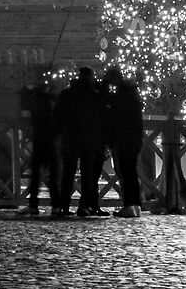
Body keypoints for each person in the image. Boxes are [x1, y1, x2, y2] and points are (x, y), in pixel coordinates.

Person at [54, 65, 107, 218]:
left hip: (70, 139)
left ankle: (63, 206)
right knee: (88, 176)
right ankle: (84, 206)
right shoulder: (94, 95)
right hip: (89, 140)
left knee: (68, 174)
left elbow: (58, 116)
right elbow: (102, 118)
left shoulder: (66, 94)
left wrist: (61, 133)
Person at [18, 73, 60, 218]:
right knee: (53, 176)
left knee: (35, 175)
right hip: (53, 141)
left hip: (39, 140)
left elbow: (24, 100)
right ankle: (56, 206)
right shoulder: (54, 101)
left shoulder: (36, 100)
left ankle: (33, 205)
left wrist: (30, 89)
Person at [105, 69, 145, 218]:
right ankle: (135, 205)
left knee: (125, 173)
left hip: (123, 139)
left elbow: (114, 116)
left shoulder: (120, 97)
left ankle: (129, 205)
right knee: (131, 173)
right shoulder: (132, 96)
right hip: (133, 140)